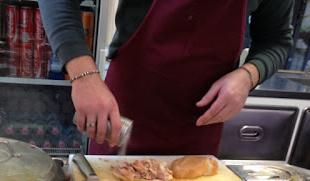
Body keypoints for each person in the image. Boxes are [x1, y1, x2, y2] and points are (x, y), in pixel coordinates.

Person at [38, 0, 294, 156]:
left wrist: (248, 75)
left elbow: (276, 40)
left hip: (201, 125)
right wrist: (84, 76)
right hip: (124, 112)